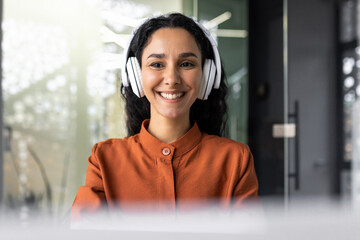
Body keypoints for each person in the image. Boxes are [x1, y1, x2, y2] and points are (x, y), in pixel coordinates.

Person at [71, 13, 258, 220]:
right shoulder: (104, 159)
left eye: (186, 64)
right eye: (157, 64)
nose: (172, 79)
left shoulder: (234, 159)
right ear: (135, 75)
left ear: (207, 76)